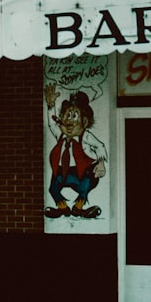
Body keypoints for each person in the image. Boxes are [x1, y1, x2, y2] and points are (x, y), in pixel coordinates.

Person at [44, 83, 107, 219]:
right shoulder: (60, 134)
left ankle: (78, 207)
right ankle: (63, 208)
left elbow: (100, 146)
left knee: (87, 184)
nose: (69, 121)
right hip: (62, 171)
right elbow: (51, 123)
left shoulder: (86, 136)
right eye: (67, 115)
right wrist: (50, 106)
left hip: (81, 171)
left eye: (74, 116)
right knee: (53, 188)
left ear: (84, 122)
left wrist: (101, 163)